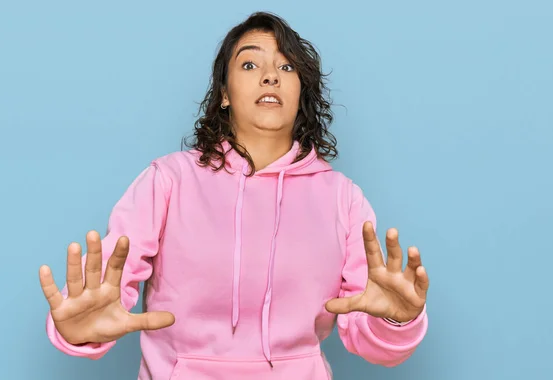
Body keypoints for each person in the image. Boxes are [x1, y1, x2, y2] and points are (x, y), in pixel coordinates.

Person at [39, 11, 429, 380]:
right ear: (224, 93)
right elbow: (103, 295)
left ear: (300, 92)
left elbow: (372, 336)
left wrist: (397, 320)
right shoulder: (168, 180)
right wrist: (79, 329)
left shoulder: (343, 198)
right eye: (249, 65)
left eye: (286, 66)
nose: (270, 77)